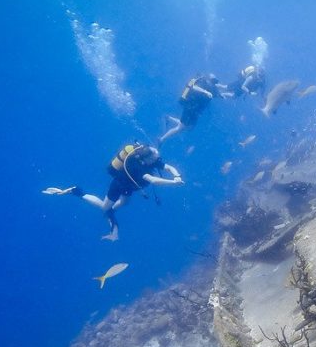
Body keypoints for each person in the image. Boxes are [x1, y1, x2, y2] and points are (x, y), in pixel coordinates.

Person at [44, 142, 184, 241]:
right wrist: (173, 183)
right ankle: (76, 191)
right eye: (154, 158)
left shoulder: (150, 158)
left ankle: (111, 214)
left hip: (129, 186)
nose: (157, 160)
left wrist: (176, 175)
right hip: (118, 184)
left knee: (124, 202)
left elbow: (168, 167)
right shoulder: (136, 166)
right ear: (146, 158)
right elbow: (153, 180)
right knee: (104, 208)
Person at [159, 74, 223, 146]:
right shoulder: (202, 82)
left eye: (215, 82)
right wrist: (205, 92)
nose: (213, 83)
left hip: (195, 110)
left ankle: (168, 118)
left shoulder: (211, 88)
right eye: (213, 81)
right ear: (208, 79)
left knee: (190, 127)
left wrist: (221, 95)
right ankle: (161, 139)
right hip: (190, 106)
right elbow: (194, 87)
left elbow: (217, 93)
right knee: (180, 128)